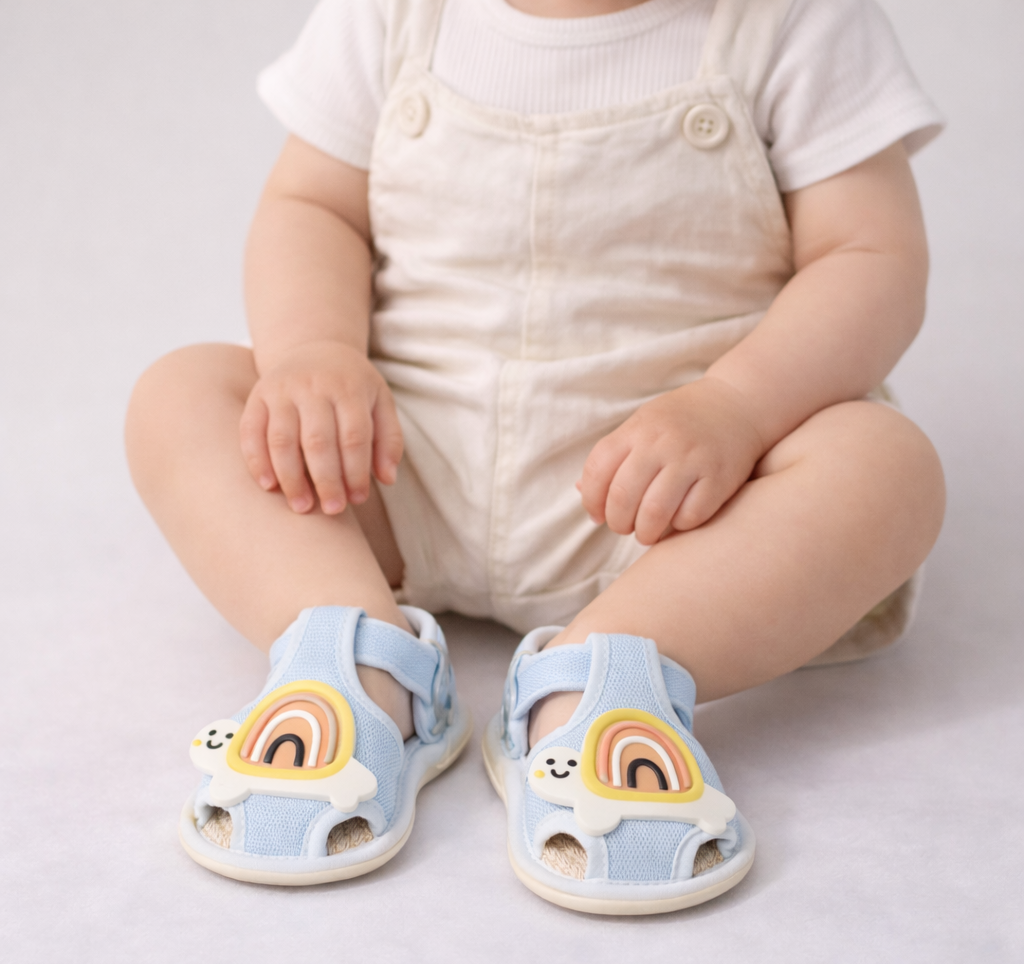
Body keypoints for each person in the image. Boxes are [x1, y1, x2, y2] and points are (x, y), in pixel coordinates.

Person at [125, 0, 946, 912]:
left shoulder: (799, 22)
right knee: (184, 396)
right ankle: (351, 654)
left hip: (681, 505)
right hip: (396, 470)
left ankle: (612, 681)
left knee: (885, 467)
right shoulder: (388, 15)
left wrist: (737, 407)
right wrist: (314, 352)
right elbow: (313, 205)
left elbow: (869, 256)